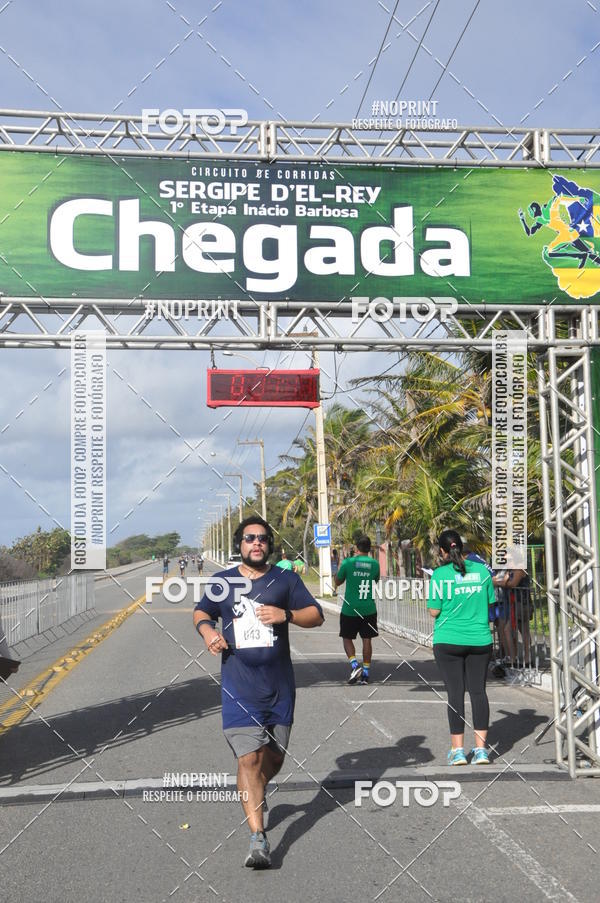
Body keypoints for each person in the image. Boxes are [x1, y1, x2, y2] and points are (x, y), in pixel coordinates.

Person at [193, 517, 324, 869]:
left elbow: (316, 615)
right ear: (239, 544)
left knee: (273, 760)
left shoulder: (285, 579)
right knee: (248, 759)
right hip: (239, 687)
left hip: (279, 687)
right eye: (250, 538)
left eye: (263, 538)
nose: (256, 543)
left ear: (269, 545)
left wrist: (287, 615)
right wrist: (208, 632)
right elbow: (202, 612)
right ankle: (258, 838)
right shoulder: (223, 582)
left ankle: (254, 790)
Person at [427, 529, 495, 765]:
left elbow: (434, 610)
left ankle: (458, 751)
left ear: (442, 551)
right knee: (478, 692)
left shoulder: (439, 575)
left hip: (448, 640)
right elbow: (490, 603)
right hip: (480, 640)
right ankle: (481, 751)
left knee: (455, 693)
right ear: (462, 547)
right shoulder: (482, 572)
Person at [335, 534, 380, 685]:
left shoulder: (348, 562)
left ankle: (355, 666)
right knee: (367, 640)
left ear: (356, 547)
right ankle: (366, 673)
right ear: (369, 548)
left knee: (347, 637)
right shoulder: (375, 564)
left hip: (350, 608)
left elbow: (338, 581)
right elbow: (375, 580)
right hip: (368, 608)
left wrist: (339, 573)